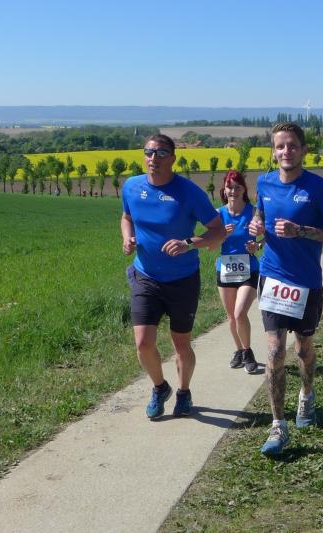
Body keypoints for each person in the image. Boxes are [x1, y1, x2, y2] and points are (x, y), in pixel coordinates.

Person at [248, 122, 323, 455]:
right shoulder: (264, 182)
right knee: (275, 351)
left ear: (303, 150)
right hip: (273, 277)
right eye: (280, 146)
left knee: (303, 348)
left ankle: (306, 394)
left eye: (292, 145)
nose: (286, 151)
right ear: (273, 151)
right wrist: (256, 228)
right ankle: (278, 425)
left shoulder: (317, 187)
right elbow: (260, 218)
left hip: (305, 282)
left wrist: (300, 230)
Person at [121, 134, 226, 419]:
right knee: (143, 343)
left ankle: (184, 391)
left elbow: (218, 230)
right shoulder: (132, 187)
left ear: (173, 159)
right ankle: (159, 387)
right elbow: (127, 217)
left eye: (161, 153)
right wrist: (127, 237)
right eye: (149, 152)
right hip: (145, 276)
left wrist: (188, 243)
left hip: (182, 279)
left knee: (181, 344)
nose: (153, 158)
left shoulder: (189, 192)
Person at [215, 170, 261, 373]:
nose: (233, 191)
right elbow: (210, 245)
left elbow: (268, 236)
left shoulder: (253, 212)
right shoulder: (218, 214)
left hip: (249, 268)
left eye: (237, 187)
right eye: (229, 187)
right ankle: (239, 351)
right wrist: (220, 236)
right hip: (225, 269)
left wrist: (257, 245)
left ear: (244, 190)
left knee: (240, 312)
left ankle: (248, 352)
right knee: (231, 317)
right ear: (224, 190)